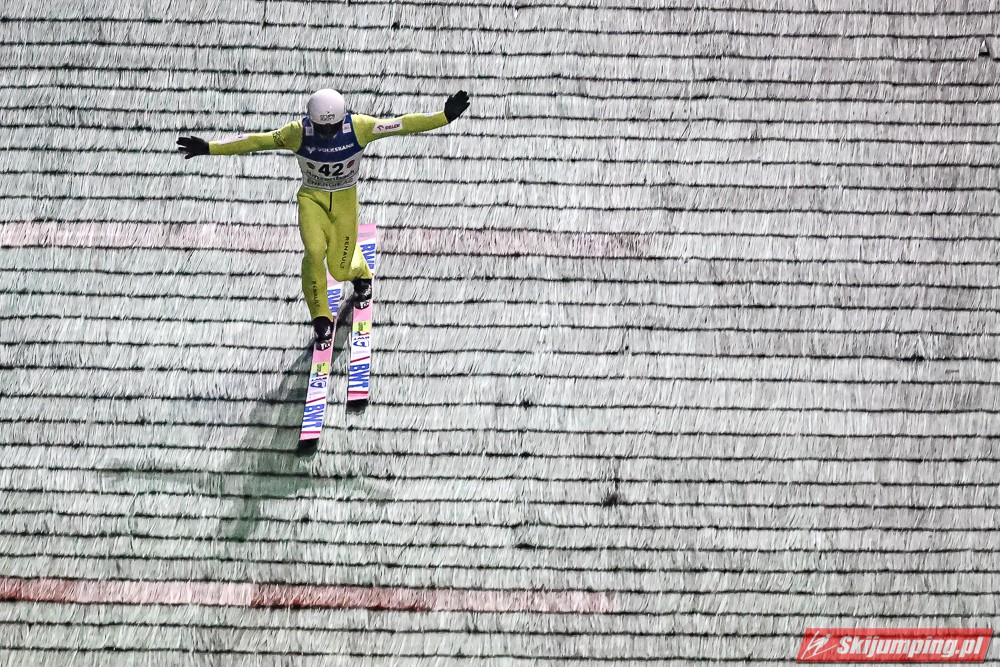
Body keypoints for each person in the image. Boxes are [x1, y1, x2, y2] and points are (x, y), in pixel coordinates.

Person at [177, 89, 471, 349]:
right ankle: (319, 315)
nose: (328, 133)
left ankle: (361, 274)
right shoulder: (297, 132)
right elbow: (257, 140)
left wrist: (443, 117)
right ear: (311, 121)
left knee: (340, 270)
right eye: (322, 128)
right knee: (315, 250)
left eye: (333, 127)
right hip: (312, 201)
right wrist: (210, 147)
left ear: (343, 119)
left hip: (344, 203)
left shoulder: (359, 127)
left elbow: (401, 124)